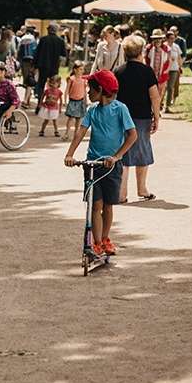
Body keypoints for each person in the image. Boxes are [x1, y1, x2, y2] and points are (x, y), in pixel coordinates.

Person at [63, 70, 137, 264]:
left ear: (101, 90)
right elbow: (80, 132)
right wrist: (70, 154)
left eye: (91, 89)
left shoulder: (121, 109)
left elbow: (132, 136)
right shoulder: (92, 111)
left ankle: (105, 239)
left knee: (108, 205)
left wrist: (116, 156)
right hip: (93, 165)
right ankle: (95, 242)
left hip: (111, 166)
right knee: (95, 205)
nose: (88, 92)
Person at [115, 34, 161, 203]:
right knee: (142, 152)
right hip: (142, 118)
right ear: (141, 52)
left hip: (122, 118)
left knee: (123, 153)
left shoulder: (118, 71)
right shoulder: (147, 71)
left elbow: (113, 96)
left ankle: (121, 193)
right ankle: (142, 189)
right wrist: (156, 116)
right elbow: (154, 96)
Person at [35, 24, 67, 98]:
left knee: (41, 85)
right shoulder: (60, 41)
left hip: (43, 65)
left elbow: (37, 53)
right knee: (53, 84)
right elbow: (64, 54)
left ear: (49, 30)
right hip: (54, 66)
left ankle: (40, 100)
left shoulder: (43, 39)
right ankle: (51, 100)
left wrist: (35, 65)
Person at [63, 62, 89, 141]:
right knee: (70, 118)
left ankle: (76, 134)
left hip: (80, 101)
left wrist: (86, 100)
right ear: (75, 70)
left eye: (82, 69)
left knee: (79, 119)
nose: (82, 71)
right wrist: (65, 101)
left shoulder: (84, 80)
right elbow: (67, 90)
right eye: (80, 69)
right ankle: (67, 133)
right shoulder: (71, 79)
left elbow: (84, 91)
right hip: (72, 101)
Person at [36, 73, 65, 138]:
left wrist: (60, 108)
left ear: (58, 84)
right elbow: (42, 96)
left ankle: (56, 131)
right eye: (52, 83)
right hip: (47, 107)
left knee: (54, 120)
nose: (53, 85)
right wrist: (40, 103)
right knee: (46, 120)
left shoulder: (59, 92)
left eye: (55, 83)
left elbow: (61, 101)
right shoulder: (47, 91)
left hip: (54, 108)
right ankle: (42, 131)